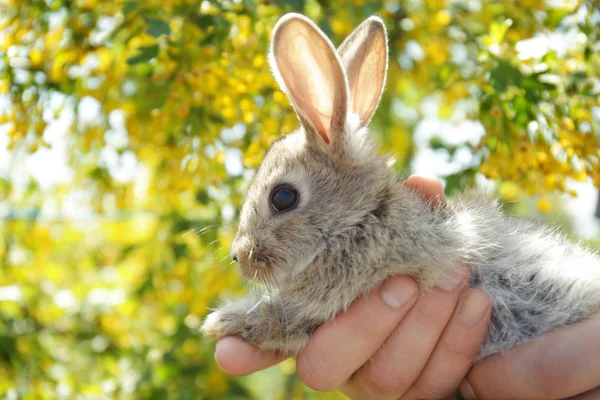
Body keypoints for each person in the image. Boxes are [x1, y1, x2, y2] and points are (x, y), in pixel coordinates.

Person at [213, 175, 600, 399]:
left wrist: (277, 322)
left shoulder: (387, 222)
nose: (240, 251)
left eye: (284, 198)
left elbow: (355, 283)